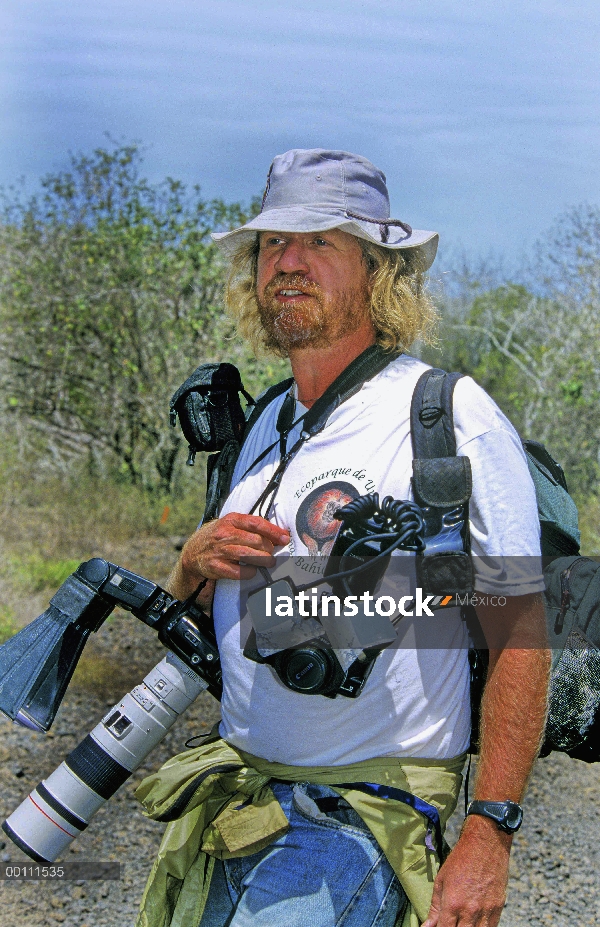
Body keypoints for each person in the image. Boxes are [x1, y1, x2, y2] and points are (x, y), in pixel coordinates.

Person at [137, 149, 550, 927]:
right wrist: (190, 561)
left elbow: (523, 626)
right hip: (242, 795)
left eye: (319, 241)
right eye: (271, 244)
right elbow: (204, 613)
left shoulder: (447, 415)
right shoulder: (265, 423)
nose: (286, 263)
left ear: (377, 270)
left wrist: (490, 832)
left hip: (364, 812)